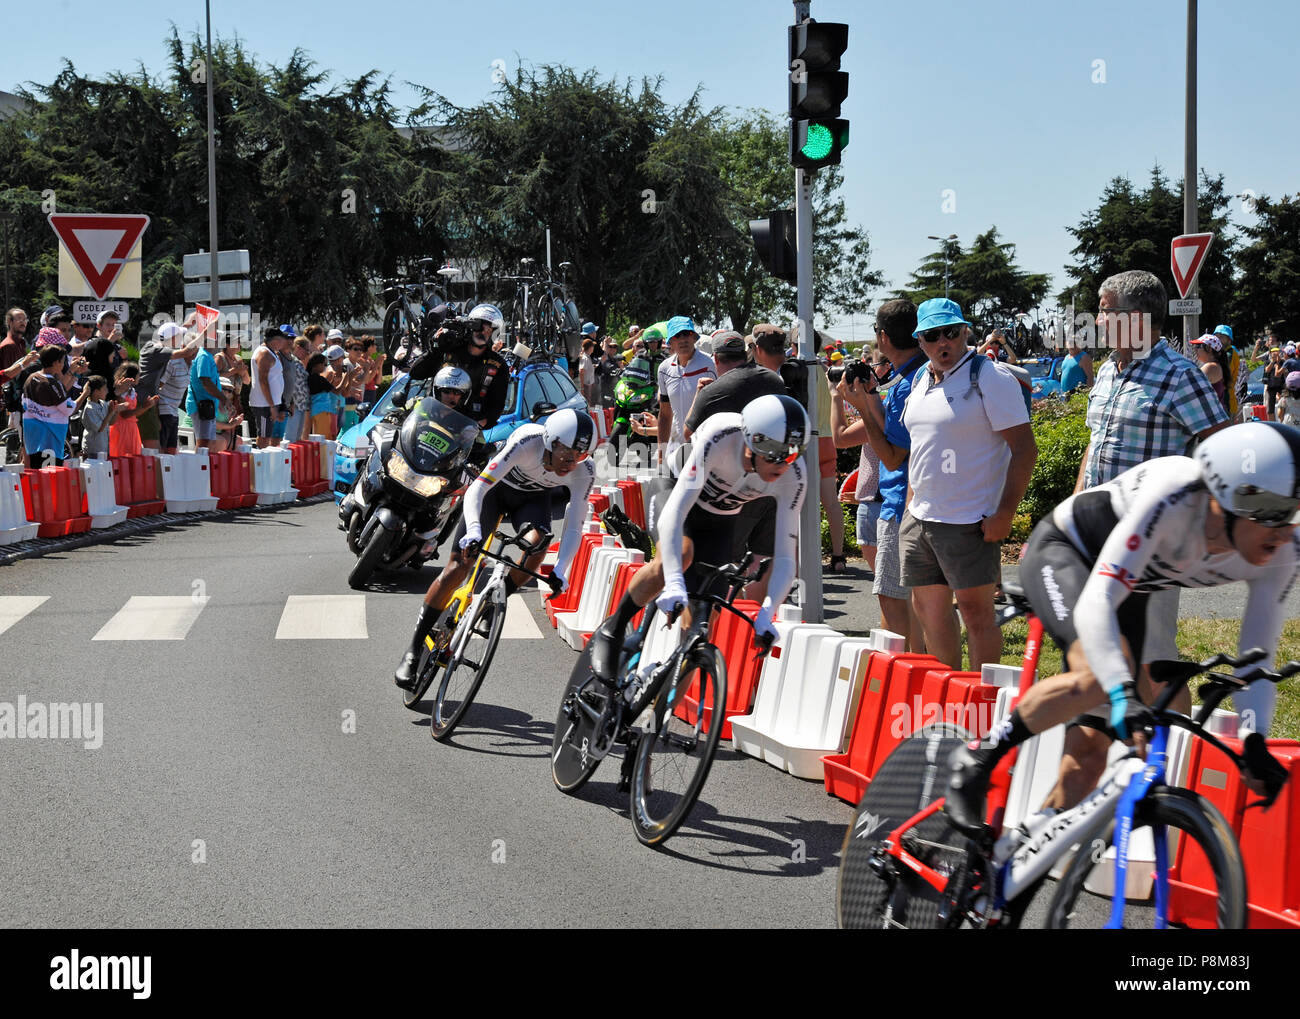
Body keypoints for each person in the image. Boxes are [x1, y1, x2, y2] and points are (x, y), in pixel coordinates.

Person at [945, 422, 1300, 833]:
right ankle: (978, 756)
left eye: (1291, 511)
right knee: (1100, 677)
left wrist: (1254, 738)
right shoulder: (1175, 495)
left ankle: (1015, 860)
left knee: (1089, 758)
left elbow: (1258, 649)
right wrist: (1122, 690)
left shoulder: (1284, 549)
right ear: (1226, 496)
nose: (1282, 531)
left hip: (1128, 587)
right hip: (1069, 552)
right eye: (1273, 512)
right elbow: (1097, 601)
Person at [587, 394, 809, 681]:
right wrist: (675, 581)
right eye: (777, 453)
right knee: (680, 556)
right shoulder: (722, 435)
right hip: (677, 492)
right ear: (752, 441)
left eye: (793, 453)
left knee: (702, 628)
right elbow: (677, 510)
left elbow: (785, 557)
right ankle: (614, 628)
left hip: (720, 519)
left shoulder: (795, 475)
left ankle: (658, 713)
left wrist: (769, 613)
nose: (785, 464)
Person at [394, 407, 596, 688]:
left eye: (579, 456)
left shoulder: (584, 472)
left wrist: (561, 569)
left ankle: (494, 601)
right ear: (552, 441)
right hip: (494, 492)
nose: (571, 464)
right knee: (458, 567)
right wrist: (474, 530)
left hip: (531, 502)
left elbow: (574, 524)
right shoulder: (527, 441)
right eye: (566, 454)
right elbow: (478, 488)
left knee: (538, 545)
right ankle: (413, 650)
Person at [900, 299, 1037, 671]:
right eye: (932, 335)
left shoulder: (988, 377)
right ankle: (950, 698)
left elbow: (1024, 450)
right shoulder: (920, 378)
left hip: (969, 520)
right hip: (921, 518)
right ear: (920, 340)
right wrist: (910, 508)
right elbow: (920, 446)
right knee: (929, 612)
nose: (943, 341)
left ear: (965, 332)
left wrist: (1005, 513)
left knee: (977, 616)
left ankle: (982, 706)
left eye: (951, 332)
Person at [830, 352, 891, 575]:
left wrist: (836, 396)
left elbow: (840, 438)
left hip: (878, 501)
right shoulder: (897, 400)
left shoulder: (880, 410)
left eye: (871, 366)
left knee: (885, 584)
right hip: (887, 497)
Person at [410, 304, 510, 430]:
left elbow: (497, 405)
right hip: (432, 422)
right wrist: (434, 349)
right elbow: (416, 373)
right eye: (479, 326)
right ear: (469, 325)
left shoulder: (497, 365)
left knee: (485, 449)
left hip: (466, 433)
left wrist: (479, 425)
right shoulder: (449, 350)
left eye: (489, 329)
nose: (483, 332)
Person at [656, 316, 716, 465]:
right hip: (675, 448)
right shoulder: (664, 369)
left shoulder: (710, 364)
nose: (683, 339)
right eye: (678, 335)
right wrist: (661, 455)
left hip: (705, 449)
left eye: (687, 334)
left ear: (694, 337)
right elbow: (664, 414)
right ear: (670, 342)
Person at [21, 345, 77, 465]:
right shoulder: (52, 383)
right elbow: (68, 410)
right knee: (49, 478)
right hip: (50, 436)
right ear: (56, 362)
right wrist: (85, 394)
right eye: (63, 361)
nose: (63, 365)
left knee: (36, 473)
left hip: (32, 433)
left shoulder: (31, 377)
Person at [250, 327, 291, 448]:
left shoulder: (271, 352)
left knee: (268, 436)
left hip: (270, 403)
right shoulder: (264, 354)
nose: (284, 343)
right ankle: (260, 464)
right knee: (264, 437)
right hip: (264, 404)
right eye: (283, 340)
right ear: (275, 340)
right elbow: (263, 381)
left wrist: (279, 404)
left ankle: (265, 462)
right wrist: (272, 405)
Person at [186, 334, 225, 451]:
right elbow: (206, 382)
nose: (218, 340)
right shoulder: (203, 356)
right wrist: (224, 399)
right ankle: (198, 468)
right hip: (202, 406)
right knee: (204, 443)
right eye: (216, 337)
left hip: (208, 406)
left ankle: (205, 468)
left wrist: (221, 401)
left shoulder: (207, 356)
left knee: (210, 443)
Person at [109, 363, 152, 458]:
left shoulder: (132, 391)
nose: (139, 378)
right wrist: (144, 407)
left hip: (132, 428)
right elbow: (124, 414)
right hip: (120, 429)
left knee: (133, 460)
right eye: (138, 375)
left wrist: (146, 406)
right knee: (122, 460)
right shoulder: (121, 391)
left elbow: (134, 415)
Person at [76, 375, 118, 459]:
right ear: (96, 392)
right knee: (93, 470)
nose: (107, 391)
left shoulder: (103, 403)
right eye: (104, 388)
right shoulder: (89, 409)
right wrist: (110, 413)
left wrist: (115, 410)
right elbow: (100, 428)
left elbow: (110, 422)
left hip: (103, 448)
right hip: (93, 449)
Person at [84, 310, 125, 397]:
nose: (111, 328)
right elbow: (93, 364)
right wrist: (110, 341)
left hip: (112, 390)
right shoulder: (91, 343)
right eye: (108, 324)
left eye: (114, 325)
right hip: (97, 391)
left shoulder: (117, 346)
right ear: (99, 326)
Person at [1189, 332, 1229, 412]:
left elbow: (1190, 387)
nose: (1195, 349)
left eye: (1198, 346)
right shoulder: (1216, 365)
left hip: (1213, 417)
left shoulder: (1210, 367)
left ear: (1209, 349)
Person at [306, 353, 338, 438]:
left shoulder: (310, 377)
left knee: (316, 437)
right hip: (322, 412)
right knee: (321, 438)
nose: (325, 367)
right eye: (324, 364)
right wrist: (348, 377)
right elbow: (337, 391)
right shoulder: (319, 379)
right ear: (317, 364)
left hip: (315, 411)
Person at [1264, 346, 1288, 420]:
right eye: (1273, 352)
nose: (1275, 354)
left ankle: (1283, 422)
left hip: (1281, 387)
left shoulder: (1283, 361)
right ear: (1270, 353)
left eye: (1277, 352)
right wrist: (1272, 361)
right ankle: (1272, 424)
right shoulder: (1268, 361)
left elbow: (1284, 372)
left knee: (1283, 406)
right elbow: (1267, 370)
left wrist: (1278, 361)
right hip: (1271, 387)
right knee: (1270, 409)